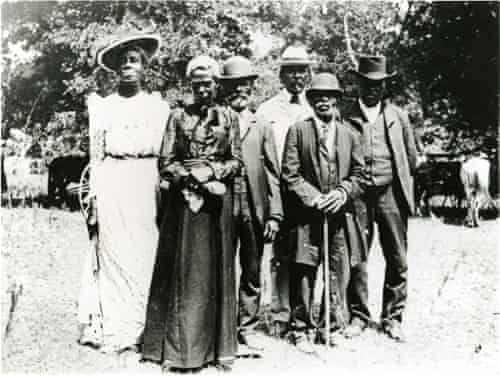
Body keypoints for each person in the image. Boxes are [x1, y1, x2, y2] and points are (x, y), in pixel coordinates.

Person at [141, 56, 242, 372]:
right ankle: (179, 352)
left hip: (216, 206)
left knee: (216, 272)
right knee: (184, 274)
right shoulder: (177, 117)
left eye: (208, 84)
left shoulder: (228, 118)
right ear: (190, 85)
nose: (203, 90)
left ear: (216, 85)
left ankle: (216, 351)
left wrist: (212, 171)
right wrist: (189, 178)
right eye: (197, 84)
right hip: (183, 207)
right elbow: (165, 160)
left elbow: (237, 161)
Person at [77, 34, 170, 353]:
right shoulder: (103, 106)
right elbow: (96, 156)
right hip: (113, 180)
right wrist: (95, 199)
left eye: (135, 61)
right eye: (123, 62)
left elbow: (165, 154)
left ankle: (143, 327)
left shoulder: (158, 106)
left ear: (145, 67)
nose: (129, 67)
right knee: (113, 249)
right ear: (115, 70)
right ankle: (116, 328)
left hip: (147, 181)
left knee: (145, 250)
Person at [281, 73, 366, 352]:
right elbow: (290, 175)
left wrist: (342, 192)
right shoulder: (298, 131)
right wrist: (315, 198)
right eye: (317, 96)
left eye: (329, 96)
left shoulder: (350, 134)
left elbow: (359, 174)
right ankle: (301, 328)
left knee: (337, 270)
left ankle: (332, 325)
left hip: (339, 216)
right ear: (310, 100)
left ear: (338, 100)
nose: (324, 101)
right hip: (307, 216)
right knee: (304, 270)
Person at [343, 55, 418, 342]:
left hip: (390, 193)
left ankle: (393, 318)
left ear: (385, 86)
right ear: (358, 83)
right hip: (358, 195)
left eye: (379, 84)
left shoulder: (398, 116)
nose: (373, 89)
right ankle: (359, 315)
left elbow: (410, 157)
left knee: (397, 256)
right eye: (367, 83)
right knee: (356, 257)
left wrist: (396, 184)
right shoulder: (345, 113)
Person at [218, 56, 283, 356]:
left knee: (252, 270)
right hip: (222, 206)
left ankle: (247, 327)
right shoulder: (215, 120)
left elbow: (273, 171)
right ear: (224, 88)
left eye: (244, 85)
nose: (239, 91)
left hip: (255, 208)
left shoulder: (262, 124)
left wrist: (275, 215)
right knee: (222, 267)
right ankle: (221, 330)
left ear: (252, 88)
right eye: (233, 86)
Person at [255, 45, 314, 338]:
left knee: (305, 254)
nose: (297, 77)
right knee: (279, 254)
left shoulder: (316, 107)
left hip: (307, 193)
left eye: (302, 71)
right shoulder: (266, 110)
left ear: (309, 74)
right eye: (291, 71)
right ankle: (279, 315)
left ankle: (303, 313)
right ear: (281, 74)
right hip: (278, 191)